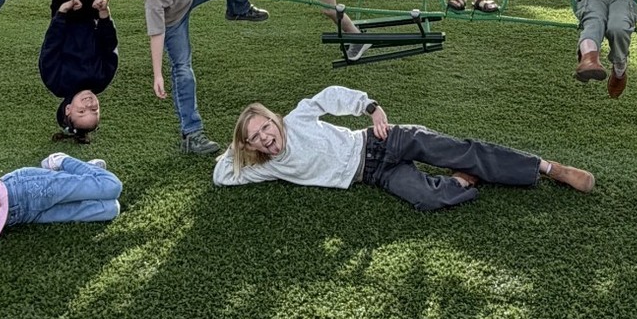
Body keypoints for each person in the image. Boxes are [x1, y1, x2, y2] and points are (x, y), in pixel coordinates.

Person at [212, 86, 595, 211]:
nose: (265, 137)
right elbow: (222, 175)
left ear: (274, 120)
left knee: (459, 149)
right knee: (427, 199)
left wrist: (370, 106)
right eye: (256, 137)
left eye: (265, 126)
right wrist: (236, 149)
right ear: (250, 144)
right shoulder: (266, 165)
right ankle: (463, 181)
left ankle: (547, 168)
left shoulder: (295, 121)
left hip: (380, 140)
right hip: (374, 174)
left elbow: (329, 96)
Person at [119, 0, 268, 156]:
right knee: (182, 69)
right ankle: (192, 133)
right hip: (173, 21)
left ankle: (238, 9)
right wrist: (157, 74)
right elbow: (156, 34)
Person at [40, 0, 119, 143]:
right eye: (95, 109)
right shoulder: (102, 79)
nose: (90, 103)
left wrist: (61, 14)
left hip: (65, 14)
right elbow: (109, 47)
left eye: (82, 111)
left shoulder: (56, 83)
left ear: (68, 108)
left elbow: (51, 47)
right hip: (91, 14)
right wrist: (103, 15)